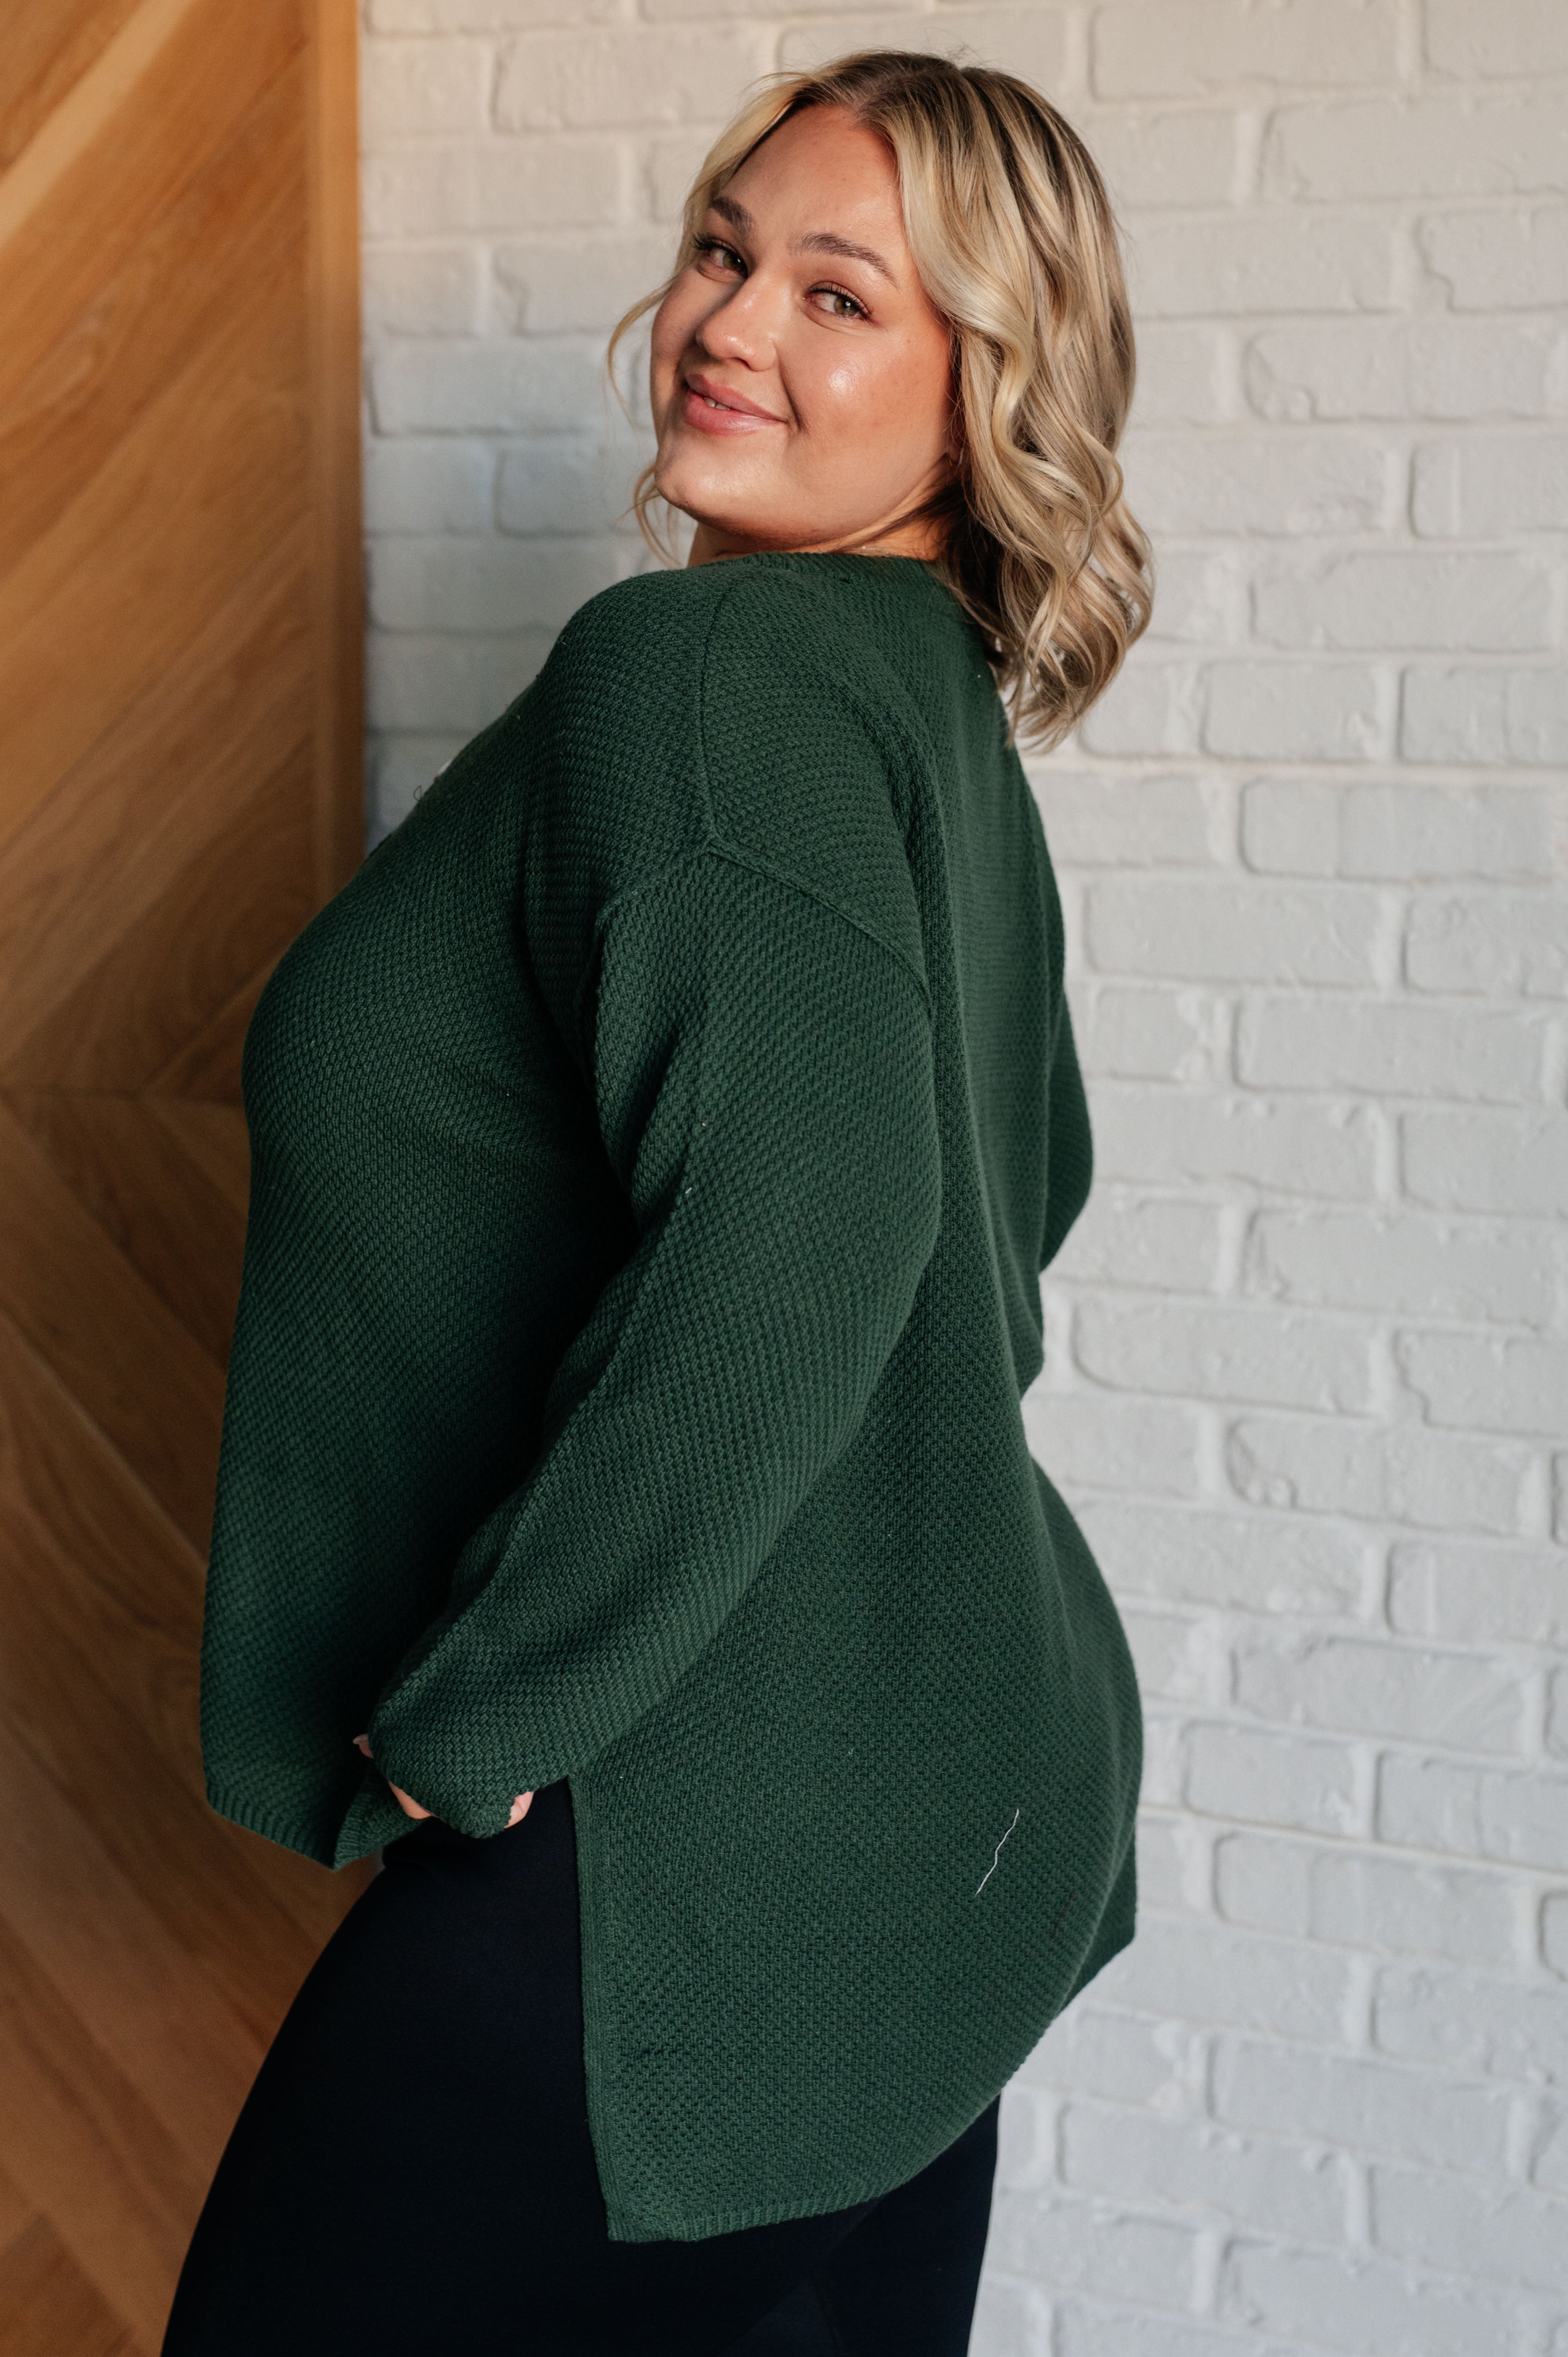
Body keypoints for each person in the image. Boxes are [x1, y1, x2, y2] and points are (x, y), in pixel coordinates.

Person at [161, 47, 1152, 2357]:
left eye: (839, 295)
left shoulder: (702, 670)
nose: (731, 322)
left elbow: (816, 1235)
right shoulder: (911, 690)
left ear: (982, 395)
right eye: (726, 249)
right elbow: (1026, 1187)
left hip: (684, 1836)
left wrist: (493, 1698)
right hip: (952, 1799)